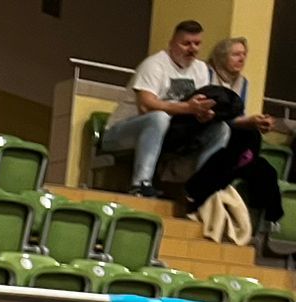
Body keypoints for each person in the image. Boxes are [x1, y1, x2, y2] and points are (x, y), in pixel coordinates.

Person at [98, 19, 230, 197]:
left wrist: (204, 114)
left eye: (197, 44)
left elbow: (196, 106)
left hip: (168, 133)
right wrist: (188, 108)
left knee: (220, 129)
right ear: (172, 43)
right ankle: (140, 184)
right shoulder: (154, 65)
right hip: (120, 132)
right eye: (186, 44)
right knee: (158, 117)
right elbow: (146, 105)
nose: (192, 49)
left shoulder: (200, 69)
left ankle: (202, 187)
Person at [183, 36, 286, 225]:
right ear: (222, 56)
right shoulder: (205, 73)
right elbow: (212, 112)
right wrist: (248, 122)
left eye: (244, 55)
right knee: (247, 137)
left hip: (231, 131)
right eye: (236, 54)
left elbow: (237, 114)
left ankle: (271, 217)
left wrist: (258, 121)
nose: (241, 59)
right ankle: (239, 165)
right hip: (204, 126)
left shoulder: (243, 83)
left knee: (265, 169)